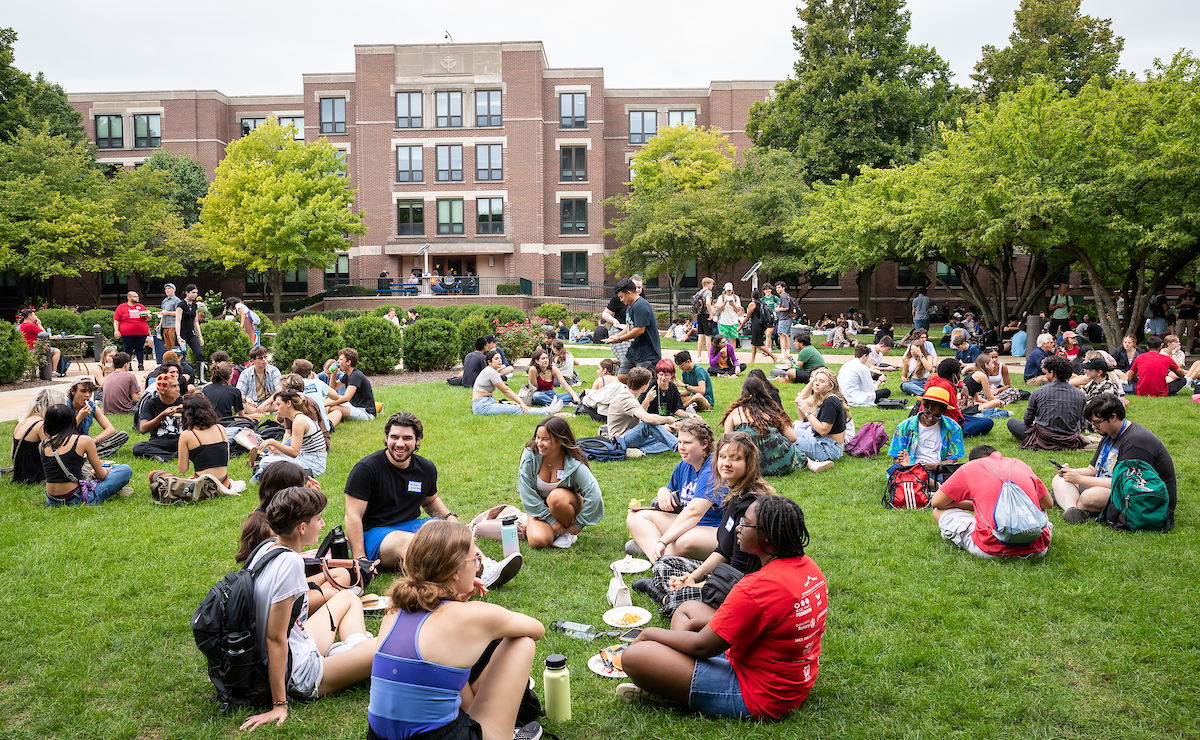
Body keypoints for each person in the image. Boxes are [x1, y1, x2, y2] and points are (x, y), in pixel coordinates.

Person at [619, 496, 826, 721]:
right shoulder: (809, 568)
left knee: (635, 656)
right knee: (688, 610)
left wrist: (649, 634)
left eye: (745, 524)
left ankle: (673, 688)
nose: (738, 527)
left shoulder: (757, 588)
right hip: (791, 680)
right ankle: (673, 678)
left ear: (766, 537)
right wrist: (699, 625)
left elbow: (702, 647)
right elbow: (766, 622)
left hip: (758, 693)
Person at [368, 520, 545, 740]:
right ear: (456, 571)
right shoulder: (471, 615)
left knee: (442, 667)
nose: (479, 566)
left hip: (379, 737)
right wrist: (469, 608)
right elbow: (536, 629)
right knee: (522, 642)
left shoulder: (395, 608)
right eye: (476, 559)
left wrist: (456, 599)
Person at [237, 486, 380, 732]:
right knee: (391, 647)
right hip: (300, 672)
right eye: (318, 519)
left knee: (348, 598)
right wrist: (279, 704)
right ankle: (357, 651)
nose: (323, 524)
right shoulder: (290, 562)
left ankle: (354, 650)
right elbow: (275, 639)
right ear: (302, 528)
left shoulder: (268, 546)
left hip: (300, 644)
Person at [640, 432, 775, 617]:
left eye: (735, 458)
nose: (726, 463)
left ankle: (664, 597)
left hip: (744, 584)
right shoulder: (732, 496)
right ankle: (676, 594)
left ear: (748, 464)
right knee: (663, 564)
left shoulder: (750, 508)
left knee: (679, 604)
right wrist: (692, 577)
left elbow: (736, 572)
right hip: (724, 572)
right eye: (723, 456)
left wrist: (696, 585)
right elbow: (723, 551)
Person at [343, 413, 456, 573]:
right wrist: (360, 559)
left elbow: (430, 501)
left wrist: (450, 518)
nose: (400, 443)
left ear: (418, 440)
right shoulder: (366, 469)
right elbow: (353, 515)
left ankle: (486, 568)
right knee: (411, 542)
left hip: (410, 525)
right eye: (394, 437)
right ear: (386, 437)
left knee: (449, 531)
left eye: (407, 438)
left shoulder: (425, 468)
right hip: (375, 533)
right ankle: (444, 578)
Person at [235, 462, 353, 614]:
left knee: (341, 574)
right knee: (334, 594)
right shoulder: (273, 532)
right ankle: (326, 601)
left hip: (279, 584)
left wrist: (310, 500)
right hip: (280, 595)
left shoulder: (263, 514)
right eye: (301, 488)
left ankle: (326, 597)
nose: (322, 524)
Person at [1052, 394, 1177, 528]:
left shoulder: (1136, 441)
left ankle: (1073, 503)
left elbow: (1124, 484)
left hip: (1142, 495)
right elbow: (1093, 470)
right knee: (1059, 479)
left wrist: (1079, 480)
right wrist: (1070, 472)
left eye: (1096, 422)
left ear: (1113, 417)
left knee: (1090, 497)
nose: (1094, 427)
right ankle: (1073, 510)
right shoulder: (1109, 433)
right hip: (1113, 485)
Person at [626, 418, 721, 565]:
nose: (681, 447)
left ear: (704, 444)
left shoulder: (712, 469)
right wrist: (663, 491)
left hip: (712, 529)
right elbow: (670, 488)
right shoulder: (685, 465)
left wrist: (663, 541)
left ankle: (653, 549)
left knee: (685, 541)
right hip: (688, 524)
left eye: (687, 443)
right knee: (635, 517)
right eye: (680, 441)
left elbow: (694, 512)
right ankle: (658, 556)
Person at [931, 445, 1053, 559]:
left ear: (973, 461)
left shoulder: (970, 468)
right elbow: (1047, 504)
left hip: (991, 549)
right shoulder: (1019, 464)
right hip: (1037, 548)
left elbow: (936, 502)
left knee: (939, 511)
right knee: (1038, 506)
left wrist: (962, 504)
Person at [517, 417, 604, 549]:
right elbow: (526, 491)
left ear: (560, 441)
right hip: (540, 509)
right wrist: (551, 520)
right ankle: (551, 529)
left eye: (545, 439)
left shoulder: (574, 463)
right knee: (538, 541)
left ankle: (567, 533)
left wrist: (579, 524)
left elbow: (594, 494)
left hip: (567, 504)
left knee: (556, 498)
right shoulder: (530, 455)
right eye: (537, 437)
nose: (539, 443)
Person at [39, 404, 133, 506]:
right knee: (125, 469)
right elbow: (101, 475)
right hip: (76, 498)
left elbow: (59, 471)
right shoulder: (83, 440)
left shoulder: (42, 445)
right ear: (71, 420)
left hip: (52, 500)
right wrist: (107, 470)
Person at [721, 375, 802, 476]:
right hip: (782, 464)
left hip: (750, 467)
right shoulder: (772, 411)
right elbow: (793, 438)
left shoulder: (734, 414)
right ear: (764, 391)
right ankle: (810, 462)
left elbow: (726, 442)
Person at [886, 385, 965, 488]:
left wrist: (933, 467)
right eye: (928, 413)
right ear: (923, 406)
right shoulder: (905, 426)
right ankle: (936, 488)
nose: (931, 419)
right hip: (910, 469)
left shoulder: (953, 428)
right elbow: (896, 460)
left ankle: (928, 486)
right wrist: (906, 463)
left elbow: (953, 461)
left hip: (938, 471)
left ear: (943, 412)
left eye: (936, 416)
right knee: (896, 472)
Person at [1006, 356, 1087, 450]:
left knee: (1012, 422)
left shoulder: (1039, 392)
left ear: (1052, 373)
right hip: (1068, 439)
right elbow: (1079, 420)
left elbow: (1027, 419)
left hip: (1043, 438)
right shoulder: (1080, 394)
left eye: (1046, 372)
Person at [601, 367, 678, 457]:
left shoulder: (629, 394)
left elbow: (639, 415)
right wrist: (667, 419)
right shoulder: (627, 399)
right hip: (620, 439)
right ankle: (678, 445)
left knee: (665, 437)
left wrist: (646, 402)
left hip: (631, 434)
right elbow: (649, 420)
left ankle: (641, 452)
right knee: (648, 425)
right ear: (644, 386)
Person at [252, 388, 328, 478]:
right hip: (307, 458)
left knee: (266, 461)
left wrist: (273, 442)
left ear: (288, 403)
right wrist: (279, 450)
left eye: (278, 405)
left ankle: (263, 472)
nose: (276, 408)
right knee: (271, 456)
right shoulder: (299, 418)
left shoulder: (299, 421)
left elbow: (294, 452)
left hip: (313, 465)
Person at [791, 367, 849, 474]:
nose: (817, 383)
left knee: (787, 441)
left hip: (828, 449)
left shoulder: (830, 402)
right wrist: (811, 383)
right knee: (789, 432)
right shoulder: (823, 397)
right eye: (815, 380)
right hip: (822, 442)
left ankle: (811, 463)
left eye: (821, 381)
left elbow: (823, 431)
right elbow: (799, 400)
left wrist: (807, 412)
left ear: (831, 385)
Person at [604, 276, 661, 382]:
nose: (621, 300)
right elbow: (629, 327)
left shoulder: (641, 306)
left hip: (647, 353)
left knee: (644, 383)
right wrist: (615, 336)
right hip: (635, 350)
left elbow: (639, 330)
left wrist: (620, 339)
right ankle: (634, 393)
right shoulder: (630, 306)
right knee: (622, 376)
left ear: (629, 293)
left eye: (621, 297)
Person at [473, 350, 560, 415]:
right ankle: (547, 411)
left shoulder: (490, 371)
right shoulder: (490, 371)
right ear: (489, 362)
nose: (500, 360)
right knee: (517, 409)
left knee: (513, 407)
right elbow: (505, 390)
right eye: (496, 359)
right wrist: (521, 402)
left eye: (500, 358)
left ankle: (547, 409)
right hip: (482, 405)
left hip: (487, 401)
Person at [10, 388, 67, 484]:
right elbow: (54, 454)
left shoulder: (23, 421)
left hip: (21, 472)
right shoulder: (41, 425)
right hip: (35, 474)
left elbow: (12, 454)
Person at [174, 393, 232, 484]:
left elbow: (183, 469)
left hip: (203, 485)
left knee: (155, 475)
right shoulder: (220, 428)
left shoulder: (187, 435)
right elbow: (226, 460)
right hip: (224, 483)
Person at [66, 377, 127, 458]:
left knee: (122, 435)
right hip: (68, 444)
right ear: (73, 391)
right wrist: (80, 417)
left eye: (90, 392)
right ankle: (89, 455)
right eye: (83, 391)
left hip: (86, 443)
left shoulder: (92, 406)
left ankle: (87, 454)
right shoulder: (64, 406)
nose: (87, 395)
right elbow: (63, 433)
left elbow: (110, 429)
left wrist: (94, 440)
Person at [133, 373, 185, 461]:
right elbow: (142, 429)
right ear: (162, 391)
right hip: (159, 442)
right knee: (138, 448)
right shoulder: (151, 403)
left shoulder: (183, 402)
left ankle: (165, 456)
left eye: (178, 385)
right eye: (173, 387)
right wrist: (162, 415)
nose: (178, 389)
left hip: (181, 440)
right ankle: (173, 456)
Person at [325, 348, 379, 424]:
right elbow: (333, 388)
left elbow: (346, 398)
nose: (337, 361)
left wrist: (327, 403)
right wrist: (334, 373)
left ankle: (326, 421)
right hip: (353, 406)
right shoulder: (348, 375)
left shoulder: (356, 376)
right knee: (326, 400)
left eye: (340, 359)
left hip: (365, 412)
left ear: (348, 362)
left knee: (333, 408)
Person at [602, 274, 644, 370]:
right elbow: (605, 313)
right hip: (620, 329)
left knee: (632, 362)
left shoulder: (640, 302)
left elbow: (637, 326)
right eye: (635, 286)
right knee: (625, 360)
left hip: (631, 331)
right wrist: (614, 321)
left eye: (639, 287)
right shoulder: (620, 298)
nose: (637, 290)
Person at [1076, 357, 1124, 432]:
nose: (1086, 371)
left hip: (1098, 424)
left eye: (1090, 370)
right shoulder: (1095, 382)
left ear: (1099, 372)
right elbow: (1080, 393)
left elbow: (1086, 408)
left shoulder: (1106, 389)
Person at [290, 359, 337, 431]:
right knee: (337, 413)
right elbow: (335, 396)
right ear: (311, 372)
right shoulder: (317, 382)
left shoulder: (292, 386)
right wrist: (317, 380)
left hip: (301, 427)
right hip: (323, 429)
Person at [237, 346, 282, 415]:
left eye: (265, 357)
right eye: (260, 358)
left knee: (281, 400)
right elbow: (239, 393)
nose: (264, 360)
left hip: (269, 402)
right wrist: (246, 399)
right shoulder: (245, 373)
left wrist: (264, 404)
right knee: (238, 404)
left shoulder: (274, 370)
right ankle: (261, 412)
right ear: (253, 361)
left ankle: (257, 412)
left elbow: (279, 390)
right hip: (253, 403)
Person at [112, 291, 151, 371]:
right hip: (127, 333)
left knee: (139, 348)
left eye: (137, 296)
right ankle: (128, 365)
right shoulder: (121, 307)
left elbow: (147, 318)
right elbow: (116, 320)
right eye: (135, 296)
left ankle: (140, 364)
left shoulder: (141, 306)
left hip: (141, 332)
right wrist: (116, 330)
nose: (137, 298)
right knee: (128, 349)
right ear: (129, 297)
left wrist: (148, 316)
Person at [18, 309, 63, 375]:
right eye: (34, 315)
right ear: (29, 317)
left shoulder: (23, 324)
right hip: (33, 350)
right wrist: (39, 324)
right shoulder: (30, 325)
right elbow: (44, 334)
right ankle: (53, 372)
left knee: (49, 350)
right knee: (57, 351)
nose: (36, 316)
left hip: (27, 349)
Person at [178, 283, 205, 365]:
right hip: (182, 333)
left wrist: (200, 336)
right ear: (187, 292)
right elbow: (177, 321)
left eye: (196, 293)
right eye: (193, 292)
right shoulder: (181, 305)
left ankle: (200, 375)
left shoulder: (194, 305)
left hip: (191, 333)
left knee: (199, 354)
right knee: (179, 356)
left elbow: (196, 321)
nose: (195, 295)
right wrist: (178, 336)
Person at [694, 277, 715, 358]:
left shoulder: (699, 292)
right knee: (708, 336)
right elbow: (708, 303)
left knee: (700, 335)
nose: (712, 286)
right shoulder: (708, 292)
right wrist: (711, 314)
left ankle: (698, 356)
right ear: (707, 284)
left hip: (699, 315)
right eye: (711, 284)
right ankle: (709, 356)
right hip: (706, 315)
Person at [774, 281, 795, 360]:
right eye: (776, 288)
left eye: (779, 287)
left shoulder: (783, 296)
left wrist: (777, 309)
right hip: (787, 318)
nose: (777, 289)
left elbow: (786, 307)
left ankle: (783, 353)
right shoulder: (786, 296)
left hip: (784, 318)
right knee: (786, 336)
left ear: (783, 288)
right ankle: (787, 353)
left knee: (782, 335)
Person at [1176, 281, 1198, 354]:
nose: (1186, 288)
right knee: (1178, 333)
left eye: (1188, 287)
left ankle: (1188, 350)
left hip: (1192, 317)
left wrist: (1192, 304)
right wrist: (1182, 303)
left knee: (1190, 334)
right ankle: (1179, 349)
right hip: (1182, 317)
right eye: (1185, 287)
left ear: (1193, 288)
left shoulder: (1197, 295)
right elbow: (1177, 306)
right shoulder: (1182, 296)